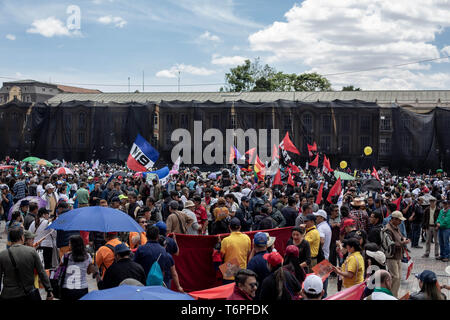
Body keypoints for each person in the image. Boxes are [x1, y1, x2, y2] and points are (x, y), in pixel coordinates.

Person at [0, 227, 53, 300]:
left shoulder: (2, 255)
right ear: (22, 237)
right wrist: (49, 290)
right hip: (28, 293)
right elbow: (41, 272)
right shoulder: (31, 252)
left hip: (8, 294)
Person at [133, 225, 183, 292]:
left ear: (146, 236)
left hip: (144, 285)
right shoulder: (163, 251)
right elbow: (171, 272)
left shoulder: (141, 249)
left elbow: (135, 266)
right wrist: (178, 287)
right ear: (157, 236)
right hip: (160, 286)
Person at [60, 235, 97, 301]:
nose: (69, 245)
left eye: (69, 243)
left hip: (67, 289)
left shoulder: (65, 256)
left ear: (73, 245)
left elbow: (60, 270)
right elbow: (88, 272)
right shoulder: (87, 256)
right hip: (82, 289)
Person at [385, 210, 410, 297]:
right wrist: (403, 243)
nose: (400, 222)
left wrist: (403, 239)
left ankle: (394, 295)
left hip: (398, 255)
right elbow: (389, 243)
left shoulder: (396, 226)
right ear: (394, 219)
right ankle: (391, 296)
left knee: (398, 277)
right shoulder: (388, 228)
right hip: (392, 256)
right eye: (399, 220)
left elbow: (399, 237)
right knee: (395, 277)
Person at [220, 218, 251, 284]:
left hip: (229, 272)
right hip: (242, 271)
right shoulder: (246, 238)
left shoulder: (226, 240)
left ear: (229, 227)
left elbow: (221, 256)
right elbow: (248, 252)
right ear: (240, 227)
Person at [247, 232, 271, 299]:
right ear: (266, 245)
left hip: (258, 295)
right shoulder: (273, 257)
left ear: (254, 245)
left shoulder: (253, 262)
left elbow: (248, 278)